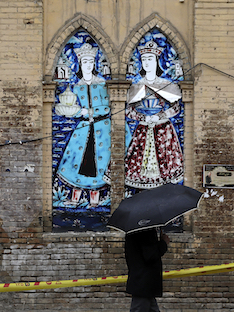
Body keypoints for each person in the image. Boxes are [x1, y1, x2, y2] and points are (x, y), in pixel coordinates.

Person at [55, 42, 111, 207]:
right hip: (83, 129)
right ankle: (75, 198)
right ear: (80, 64)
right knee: (76, 162)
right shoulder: (76, 86)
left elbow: (108, 106)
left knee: (97, 164)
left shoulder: (101, 83)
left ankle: (95, 200)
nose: (88, 65)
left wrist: (91, 112)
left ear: (94, 64)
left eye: (90, 62)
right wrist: (78, 112)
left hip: (101, 129)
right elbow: (72, 106)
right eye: (85, 62)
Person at [125, 40, 184, 190]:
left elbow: (176, 107)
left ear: (156, 61)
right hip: (143, 129)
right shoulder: (136, 86)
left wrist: (161, 116)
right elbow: (127, 110)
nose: (146, 62)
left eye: (150, 59)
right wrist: (143, 118)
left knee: (165, 164)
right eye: (144, 59)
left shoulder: (166, 84)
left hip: (163, 129)